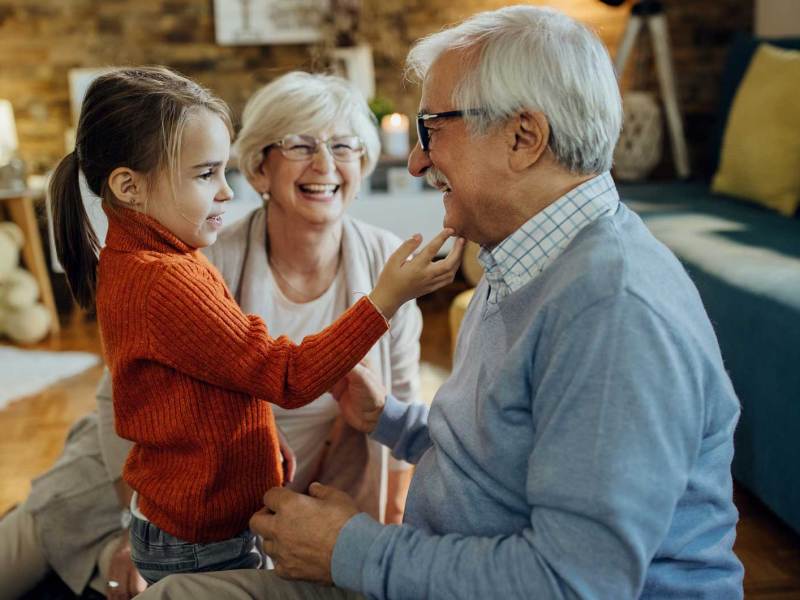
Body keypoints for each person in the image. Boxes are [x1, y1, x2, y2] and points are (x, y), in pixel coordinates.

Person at [141, 5, 745, 599]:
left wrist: (350, 550)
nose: (417, 158)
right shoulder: (521, 261)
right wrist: (394, 423)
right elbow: (503, 464)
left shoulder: (612, 312)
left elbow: (575, 582)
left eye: (433, 127)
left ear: (523, 137)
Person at [47, 66, 463, 586]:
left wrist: (255, 444)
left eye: (344, 146)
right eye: (300, 145)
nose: (225, 193)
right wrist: (386, 299)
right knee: (44, 521)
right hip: (197, 523)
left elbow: (224, 382)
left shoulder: (152, 256)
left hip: (222, 506)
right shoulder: (182, 268)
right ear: (261, 170)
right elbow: (283, 375)